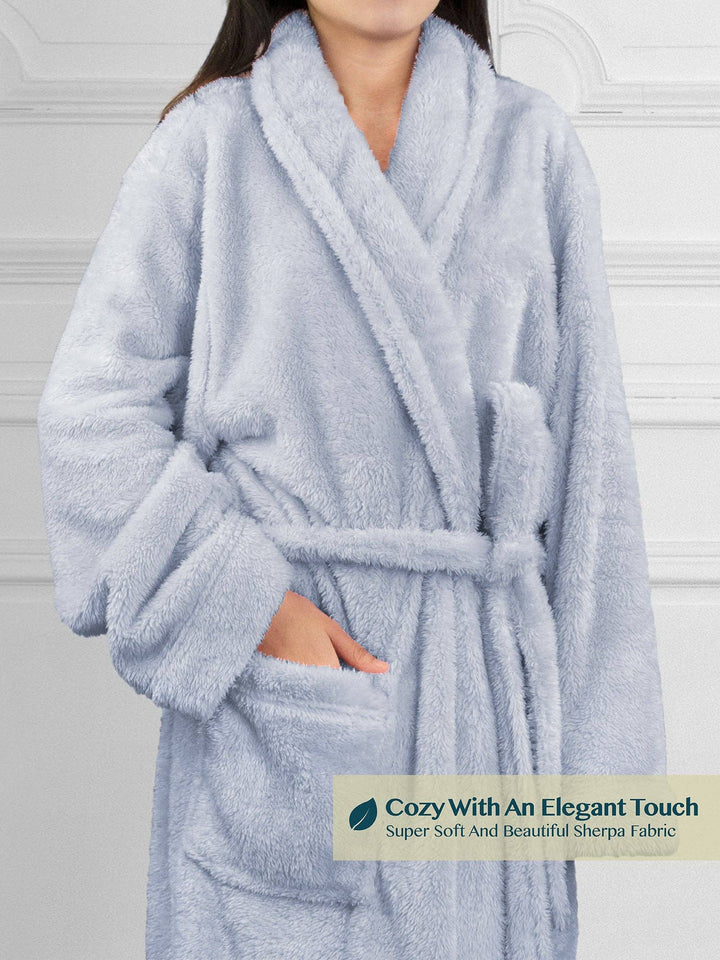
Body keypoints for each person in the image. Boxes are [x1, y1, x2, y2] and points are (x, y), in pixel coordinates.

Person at [36, 2, 667, 958]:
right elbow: (91, 416)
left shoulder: (532, 145)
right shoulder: (210, 144)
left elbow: (592, 454)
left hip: (481, 714)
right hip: (289, 706)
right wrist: (248, 604)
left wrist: (599, 774)